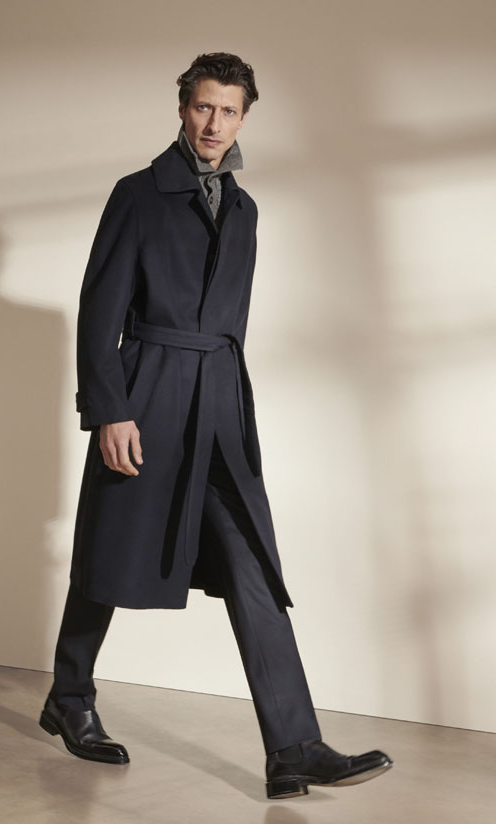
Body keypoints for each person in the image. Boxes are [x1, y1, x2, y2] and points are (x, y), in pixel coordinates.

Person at [39, 52, 393, 799]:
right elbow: (99, 309)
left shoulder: (245, 209)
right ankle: (70, 697)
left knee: (251, 563)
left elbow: (232, 321)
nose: (213, 123)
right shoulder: (137, 195)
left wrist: (231, 402)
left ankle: (293, 746)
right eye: (203, 106)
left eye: (228, 111)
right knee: (111, 549)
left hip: (220, 404)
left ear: (243, 118)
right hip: (148, 392)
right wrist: (110, 409)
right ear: (182, 109)